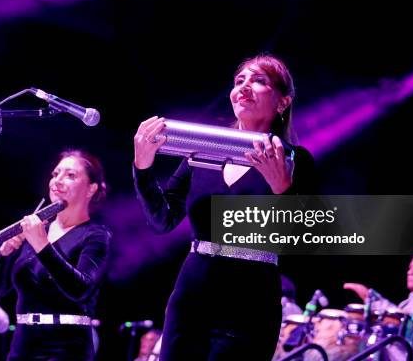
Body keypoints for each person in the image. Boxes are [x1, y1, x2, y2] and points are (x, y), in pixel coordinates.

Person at [133, 54, 318, 359]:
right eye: (239, 81)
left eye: (259, 81)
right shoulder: (203, 152)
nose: (244, 87)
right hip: (192, 292)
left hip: (251, 298)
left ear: (283, 102)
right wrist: (143, 167)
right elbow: (162, 219)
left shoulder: (295, 160)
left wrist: (282, 189)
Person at [0, 150, 111, 360]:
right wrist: (4, 254)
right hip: (22, 345)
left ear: (91, 188)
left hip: (66, 348)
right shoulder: (37, 229)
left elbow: (81, 289)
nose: (57, 181)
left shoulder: (95, 236)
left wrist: (42, 244)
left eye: (70, 175)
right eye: (55, 174)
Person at [344, 254, 413, 361]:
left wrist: (370, 298)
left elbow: (403, 323)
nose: (410, 272)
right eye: (410, 268)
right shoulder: (410, 301)